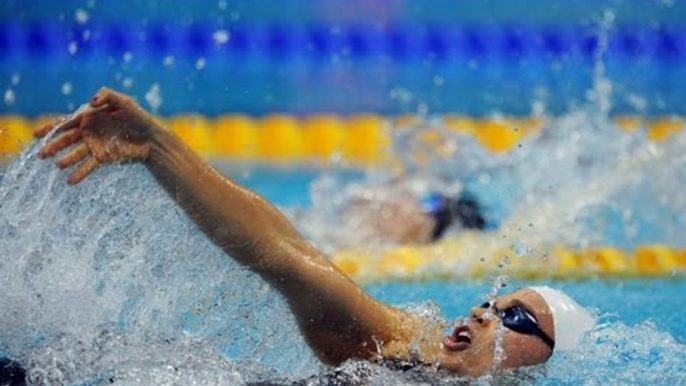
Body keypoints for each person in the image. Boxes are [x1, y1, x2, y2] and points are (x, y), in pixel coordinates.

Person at [33, 87, 595, 378]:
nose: (482, 313)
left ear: (541, 361)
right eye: (490, 303)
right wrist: (160, 148)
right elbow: (289, 258)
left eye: (513, 316)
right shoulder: (407, 351)